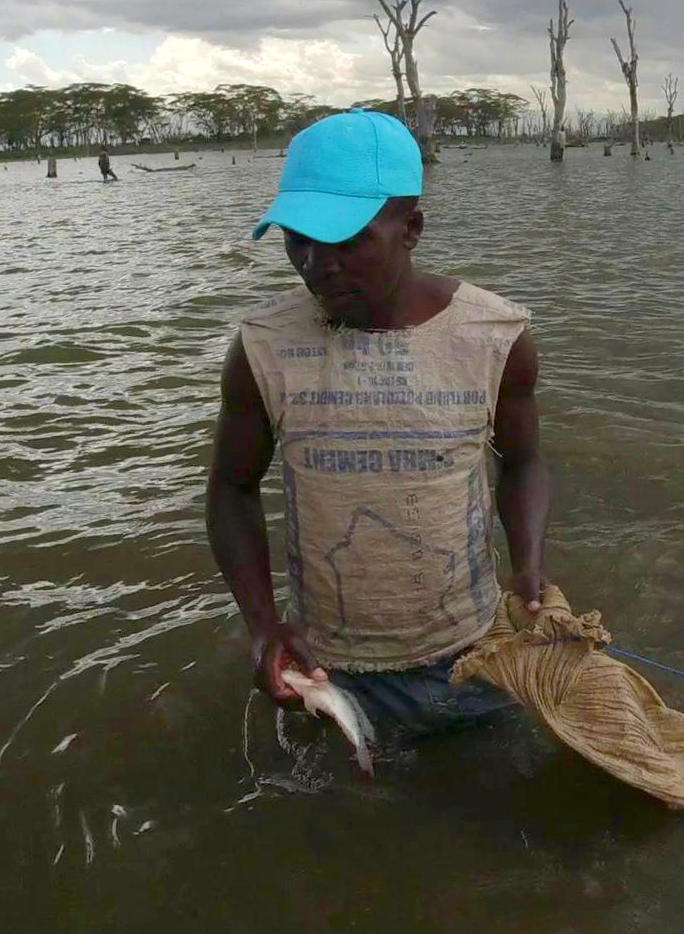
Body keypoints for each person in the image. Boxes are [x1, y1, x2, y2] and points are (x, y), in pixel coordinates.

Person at [205, 109, 549, 737]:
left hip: (475, 652)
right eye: (298, 239)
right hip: (324, 666)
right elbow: (231, 489)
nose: (315, 263)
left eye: (345, 240)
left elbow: (522, 462)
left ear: (410, 228)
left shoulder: (492, 337)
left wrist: (527, 569)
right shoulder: (264, 347)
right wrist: (262, 627)